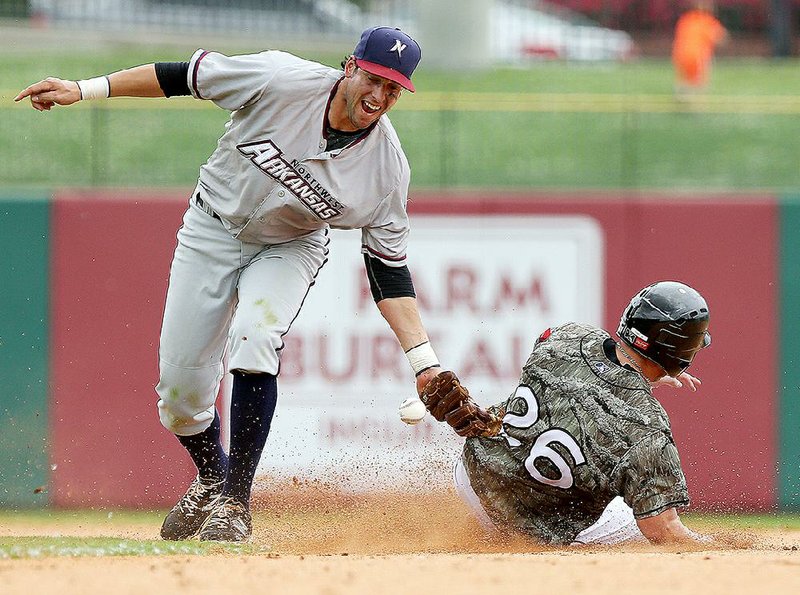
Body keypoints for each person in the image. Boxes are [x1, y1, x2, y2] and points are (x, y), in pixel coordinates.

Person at [16, 26, 449, 543]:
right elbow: (179, 77)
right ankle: (213, 476)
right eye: (373, 78)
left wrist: (425, 364)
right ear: (350, 67)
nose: (378, 96)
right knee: (179, 400)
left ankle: (235, 504)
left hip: (291, 246)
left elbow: (388, 270)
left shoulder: (386, 170)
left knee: (257, 335)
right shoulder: (278, 78)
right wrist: (84, 89)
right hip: (212, 227)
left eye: (393, 88)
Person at [421, 281, 713, 546]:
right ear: (679, 353)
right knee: (631, 516)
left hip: (473, 478)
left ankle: (480, 536)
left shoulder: (568, 336)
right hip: (529, 526)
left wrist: (638, 378)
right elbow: (663, 530)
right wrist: (719, 548)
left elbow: (585, 386)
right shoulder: (647, 424)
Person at [672, 1, 728, 96]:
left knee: (685, 82)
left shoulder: (686, 19)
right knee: (699, 86)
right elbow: (721, 38)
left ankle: (684, 93)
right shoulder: (707, 21)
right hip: (698, 57)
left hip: (680, 55)